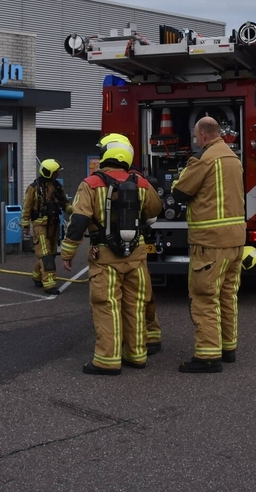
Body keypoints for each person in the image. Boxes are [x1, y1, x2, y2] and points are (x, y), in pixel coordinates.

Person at [61, 134, 162, 375]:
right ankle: (136, 354)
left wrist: (68, 251)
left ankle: (107, 360)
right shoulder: (140, 183)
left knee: (107, 306)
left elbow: (79, 220)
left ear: (106, 154)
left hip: (104, 257)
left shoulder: (90, 184)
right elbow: (156, 209)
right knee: (135, 305)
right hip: (136, 256)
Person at [170, 116, 246, 374]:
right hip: (235, 242)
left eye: (195, 135)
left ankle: (207, 356)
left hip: (210, 243)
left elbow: (179, 192)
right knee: (227, 296)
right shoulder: (233, 158)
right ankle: (228, 348)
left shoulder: (205, 159)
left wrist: (180, 174)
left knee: (204, 298)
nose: (195, 139)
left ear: (203, 135)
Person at [21, 159, 71, 295]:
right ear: (48, 173)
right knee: (46, 254)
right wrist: (25, 225)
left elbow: (65, 203)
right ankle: (49, 284)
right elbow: (27, 208)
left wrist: (77, 213)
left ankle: (37, 275)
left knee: (51, 253)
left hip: (53, 225)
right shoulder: (34, 188)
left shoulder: (57, 187)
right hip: (40, 225)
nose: (57, 175)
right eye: (55, 172)